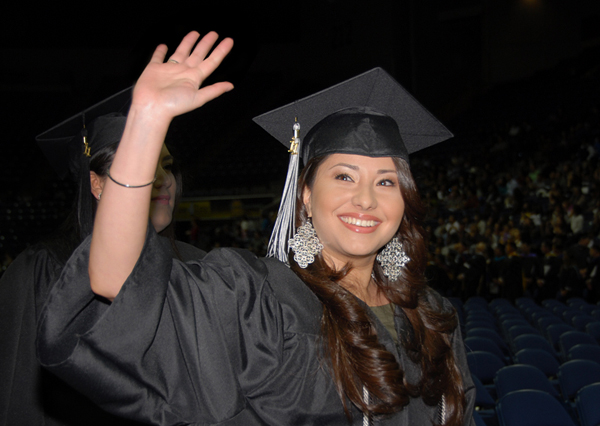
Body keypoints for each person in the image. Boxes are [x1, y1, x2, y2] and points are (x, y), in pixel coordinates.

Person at [37, 31, 475, 425]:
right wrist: (146, 122)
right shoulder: (258, 299)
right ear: (305, 194)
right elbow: (117, 277)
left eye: (386, 182)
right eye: (343, 176)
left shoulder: (433, 315)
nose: (366, 199)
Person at [0, 89, 205, 426]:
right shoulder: (41, 270)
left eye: (165, 166)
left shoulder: (199, 267)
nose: (161, 179)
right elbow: (19, 394)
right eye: (140, 167)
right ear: (96, 184)